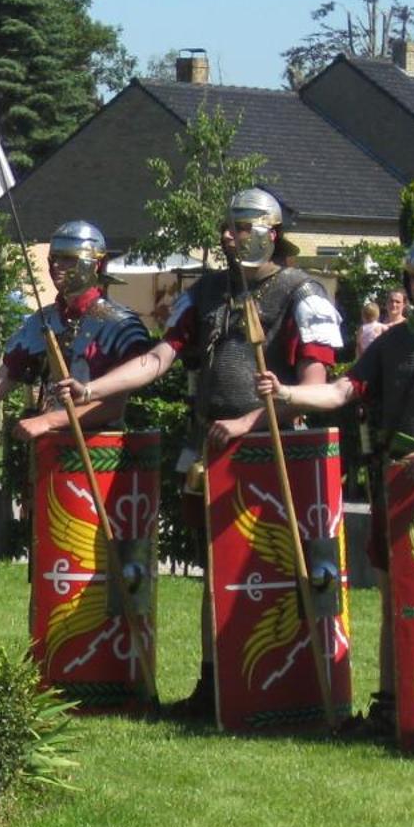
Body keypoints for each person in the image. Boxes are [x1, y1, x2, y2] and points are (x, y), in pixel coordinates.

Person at [54, 188, 342, 714]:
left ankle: (280, 684)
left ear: (270, 234)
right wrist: (93, 390)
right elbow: (160, 357)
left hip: (273, 455)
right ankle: (215, 684)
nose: (228, 237)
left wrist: (248, 421)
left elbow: (311, 387)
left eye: (241, 228)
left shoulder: (303, 295)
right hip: (214, 447)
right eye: (226, 228)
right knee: (218, 568)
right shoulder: (208, 292)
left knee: (275, 571)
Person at [256, 235, 414, 736]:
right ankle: (391, 705)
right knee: (395, 595)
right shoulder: (392, 342)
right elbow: (345, 389)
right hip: (398, 482)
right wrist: (287, 391)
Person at [0, 221, 148, 439]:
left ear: (97, 264)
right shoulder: (42, 321)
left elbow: (112, 406)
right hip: (48, 448)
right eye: (55, 259)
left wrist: (48, 420)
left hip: (98, 450)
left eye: (69, 259)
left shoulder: (118, 323)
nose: (58, 267)